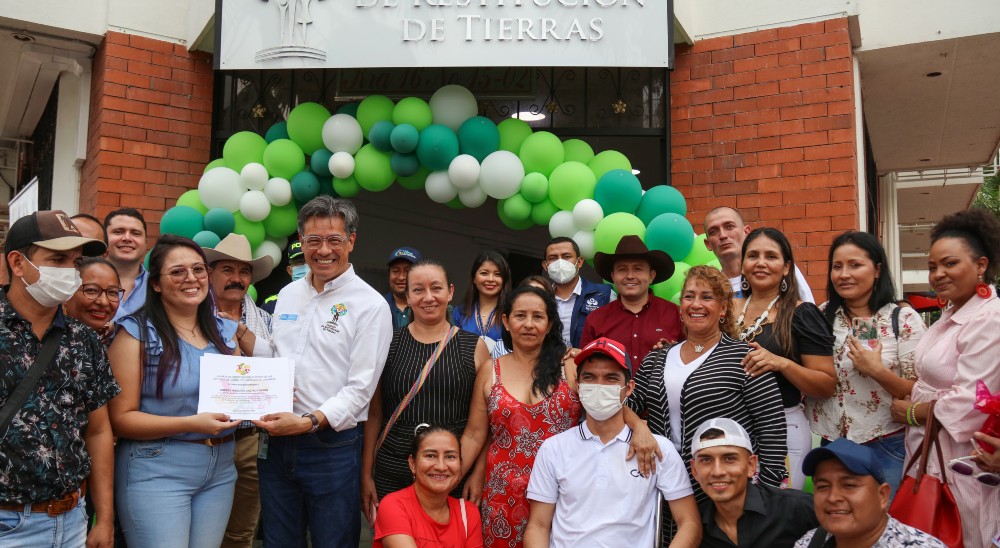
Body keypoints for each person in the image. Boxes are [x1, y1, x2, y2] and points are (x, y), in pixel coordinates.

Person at [249, 196, 393, 548]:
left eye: (334, 240)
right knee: (278, 540)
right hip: (277, 441)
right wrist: (238, 333)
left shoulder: (371, 305)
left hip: (331, 445)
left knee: (334, 541)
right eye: (314, 240)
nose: (323, 250)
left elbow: (361, 389)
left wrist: (309, 422)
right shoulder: (287, 294)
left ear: (351, 241)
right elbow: (276, 357)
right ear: (301, 240)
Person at [107, 234, 241, 547]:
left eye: (198, 269)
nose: (191, 278)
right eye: (177, 272)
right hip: (157, 467)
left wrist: (268, 398)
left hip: (220, 469)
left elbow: (240, 391)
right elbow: (121, 418)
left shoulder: (224, 333)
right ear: (155, 283)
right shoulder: (136, 333)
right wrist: (190, 423)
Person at [0, 210, 117, 547]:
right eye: (57, 258)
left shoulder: (83, 339)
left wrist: (104, 519)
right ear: (18, 263)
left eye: (75, 261)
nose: (69, 271)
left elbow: (98, 430)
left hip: (72, 519)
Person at [889, 208, 1000, 547]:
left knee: (964, 531)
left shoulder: (989, 319)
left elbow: (971, 401)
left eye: (950, 264)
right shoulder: (950, 313)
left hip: (962, 452)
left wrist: (911, 412)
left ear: (980, 265)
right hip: (930, 447)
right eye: (932, 266)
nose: (938, 274)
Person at [523, 337, 700, 548]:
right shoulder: (553, 449)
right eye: (589, 377)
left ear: (629, 388)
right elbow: (538, 526)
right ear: (578, 386)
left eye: (611, 378)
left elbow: (689, 523)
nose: (599, 386)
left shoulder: (658, 449)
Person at [627, 265, 789, 494]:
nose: (696, 304)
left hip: (725, 486)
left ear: (723, 308)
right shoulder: (657, 357)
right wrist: (638, 428)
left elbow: (771, 428)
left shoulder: (744, 357)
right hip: (665, 484)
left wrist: (768, 491)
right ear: (681, 307)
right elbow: (625, 405)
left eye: (707, 297)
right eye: (689, 297)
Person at [362, 259, 490, 523]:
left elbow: (482, 426)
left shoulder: (473, 347)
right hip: (393, 471)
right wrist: (365, 475)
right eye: (418, 290)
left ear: (450, 292)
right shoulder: (389, 344)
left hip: (452, 473)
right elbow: (374, 415)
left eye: (436, 288)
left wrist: (477, 473)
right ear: (407, 296)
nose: (428, 297)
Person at [459, 286, 582, 548]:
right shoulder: (489, 371)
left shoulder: (571, 367)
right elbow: (475, 433)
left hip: (562, 494)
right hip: (501, 494)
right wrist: (447, 476)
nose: (528, 324)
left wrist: (637, 428)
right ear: (505, 321)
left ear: (549, 324)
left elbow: (606, 413)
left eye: (538, 317)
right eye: (520, 316)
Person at [805, 231, 926, 498]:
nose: (844, 274)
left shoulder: (903, 318)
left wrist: (877, 371)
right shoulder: (822, 316)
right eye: (837, 266)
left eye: (855, 265)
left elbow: (919, 392)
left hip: (886, 445)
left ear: (877, 269)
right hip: (832, 446)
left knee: (885, 528)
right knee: (840, 525)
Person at [737, 227, 836, 489]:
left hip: (782, 431)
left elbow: (826, 384)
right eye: (753, 255)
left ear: (785, 267)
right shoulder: (725, 308)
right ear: (743, 264)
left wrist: (781, 363)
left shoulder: (802, 314)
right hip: (731, 428)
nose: (760, 263)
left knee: (777, 520)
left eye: (771, 256)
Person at [203, 233, 275, 548]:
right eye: (227, 270)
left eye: (244, 272)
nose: (237, 278)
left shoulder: (267, 324)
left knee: (241, 531)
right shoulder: (189, 318)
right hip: (201, 439)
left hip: (250, 439)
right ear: (210, 274)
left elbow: (278, 371)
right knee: (200, 530)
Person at [691, 418, 817, 548]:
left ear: (751, 465)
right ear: (694, 470)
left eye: (729, 459)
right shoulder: (694, 528)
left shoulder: (795, 508)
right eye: (706, 460)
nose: (717, 472)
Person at [796, 438, 945, 547]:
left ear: (882, 495)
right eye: (823, 486)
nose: (833, 497)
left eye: (849, 485)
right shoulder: (809, 543)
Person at [373, 424, 484, 548]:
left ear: (460, 464)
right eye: (430, 456)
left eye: (450, 457)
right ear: (412, 463)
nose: (441, 466)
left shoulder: (468, 513)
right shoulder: (393, 505)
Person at [581, 235, 682, 369]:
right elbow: (586, 368)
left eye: (638, 269)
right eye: (622, 269)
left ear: (651, 276)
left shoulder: (676, 314)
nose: (630, 276)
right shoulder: (595, 320)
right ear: (613, 276)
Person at [703, 206, 814, 303]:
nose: (722, 235)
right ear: (708, 244)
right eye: (713, 231)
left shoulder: (777, 270)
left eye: (729, 226)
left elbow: (808, 314)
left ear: (746, 232)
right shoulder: (709, 286)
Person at [541, 236, 612, 348]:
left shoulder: (604, 294)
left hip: (586, 363)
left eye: (567, 256)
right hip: (546, 363)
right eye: (553, 258)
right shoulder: (540, 297)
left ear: (579, 262)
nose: (560, 262)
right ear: (545, 265)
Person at [452, 250, 511, 353]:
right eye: (484, 273)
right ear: (474, 278)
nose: (490, 279)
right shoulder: (460, 311)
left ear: (504, 280)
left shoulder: (511, 314)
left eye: (497, 274)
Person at [63, 256, 123, 343]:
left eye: (112, 292)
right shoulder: (47, 340)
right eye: (91, 290)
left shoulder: (116, 341)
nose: (104, 302)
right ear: (66, 292)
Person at [104, 208, 149, 322]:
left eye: (136, 233)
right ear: (104, 239)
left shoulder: (158, 287)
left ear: (145, 242)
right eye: (118, 232)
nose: (127, 238)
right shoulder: (82, 281)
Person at [261, 239, 307, 314]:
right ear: (290, 270)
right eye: (299, 262)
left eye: (308, 262)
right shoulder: (271, 303)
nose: (305, 267)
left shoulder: (328, 301)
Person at [383, 246, 422, 330]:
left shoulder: (430, 307)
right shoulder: (378, 306)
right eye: (396, 271)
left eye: (408, 271)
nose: (401, 277)